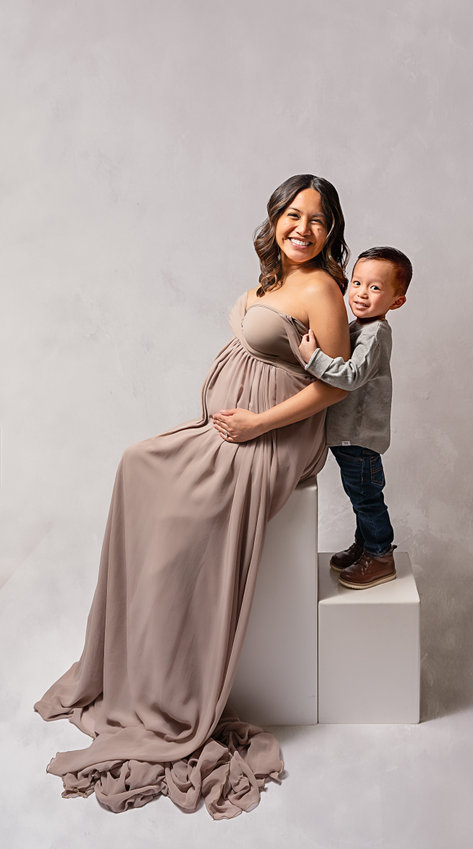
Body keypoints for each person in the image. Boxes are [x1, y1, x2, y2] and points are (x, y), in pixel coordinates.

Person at [34, 174, 351, 819]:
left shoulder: (322, 289)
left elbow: (337, 385)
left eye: (318, 220)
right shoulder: (275, 278)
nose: (303, 228)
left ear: (331, 232)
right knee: (138, 464)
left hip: (276, 434)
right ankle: (134, 654)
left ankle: (171, 683)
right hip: (233, 425)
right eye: (293, 215)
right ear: (275, 218)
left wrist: (258, 424)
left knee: (184, 515)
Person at [298, 246, 412, 589]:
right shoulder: (359, 327)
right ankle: (365, 546)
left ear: (397, 301)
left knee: (367, 498)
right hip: (348, 435)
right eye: (358, 283)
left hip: (359, 437)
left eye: (375, 288)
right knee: (358, 495)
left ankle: (380, 555)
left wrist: (313, 358)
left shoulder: (375, 333)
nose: (362, 293)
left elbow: (350, 376)